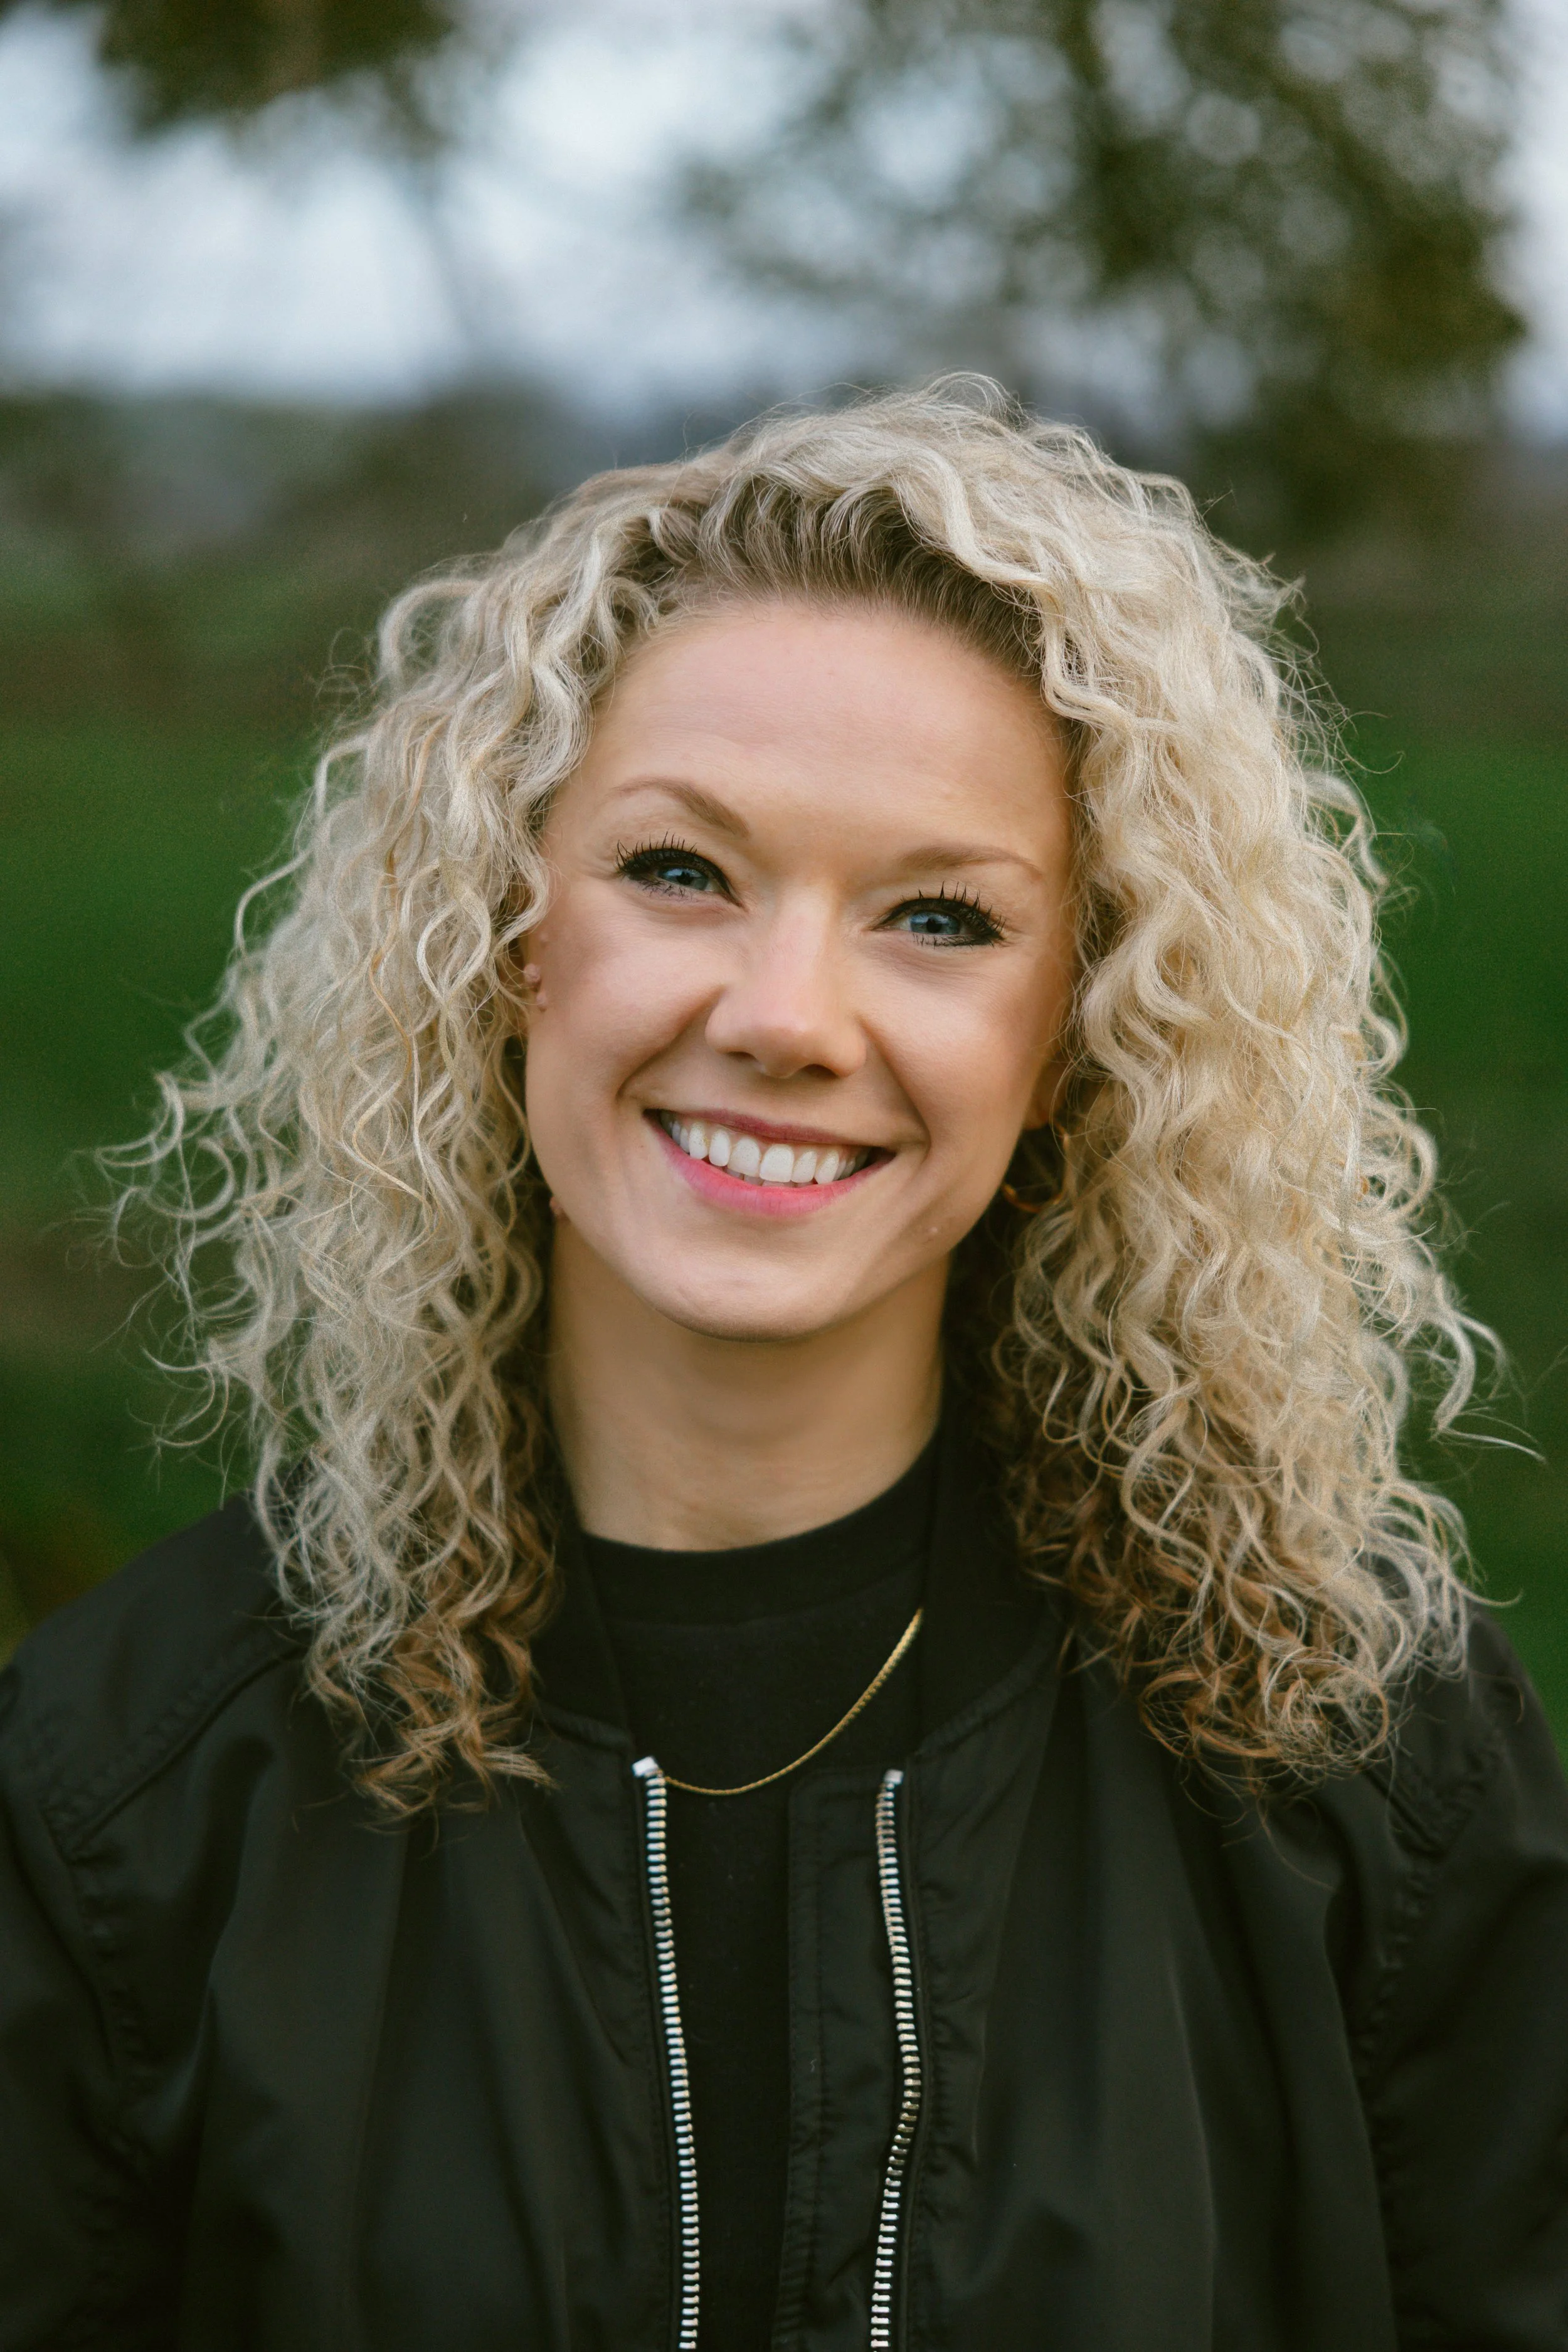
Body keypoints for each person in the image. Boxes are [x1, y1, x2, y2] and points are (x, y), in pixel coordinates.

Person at [2, 380, 1565, 2351]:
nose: (786, 1015)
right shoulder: (127, 1785)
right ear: (502, 937)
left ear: (1075, 1032)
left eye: (939, 916)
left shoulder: (1355, 1756)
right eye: (680, 870)